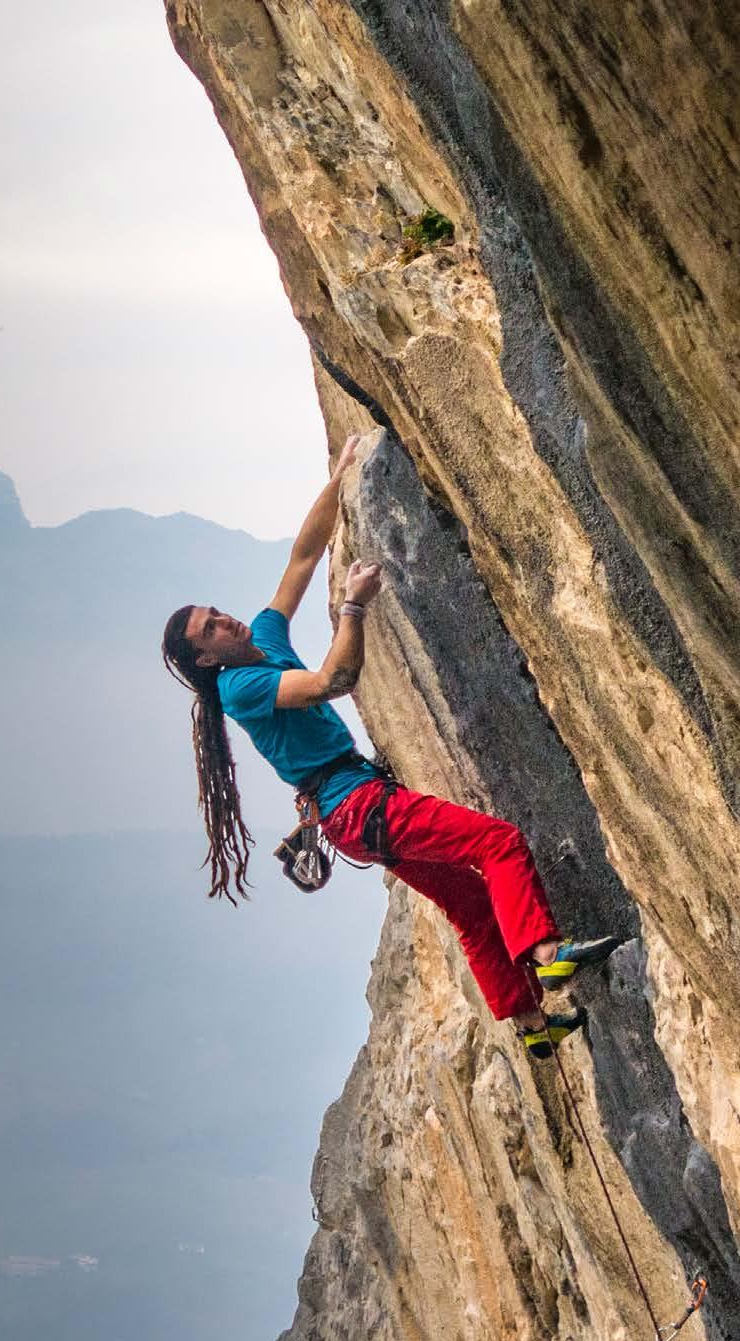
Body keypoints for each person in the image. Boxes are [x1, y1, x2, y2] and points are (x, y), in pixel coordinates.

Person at [161, 434, 618, 1057]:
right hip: (359, 806)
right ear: (206, 659)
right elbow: (332, 681)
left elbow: (301, 559)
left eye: (216, 612)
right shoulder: (240, 687)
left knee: (469, 904)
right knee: (498, 843)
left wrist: (340, 477)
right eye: (210, 629)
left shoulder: (263, 637)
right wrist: (353, 607)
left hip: (352, 817)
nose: (224, 620)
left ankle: (534, 1027)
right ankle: (546, 953)